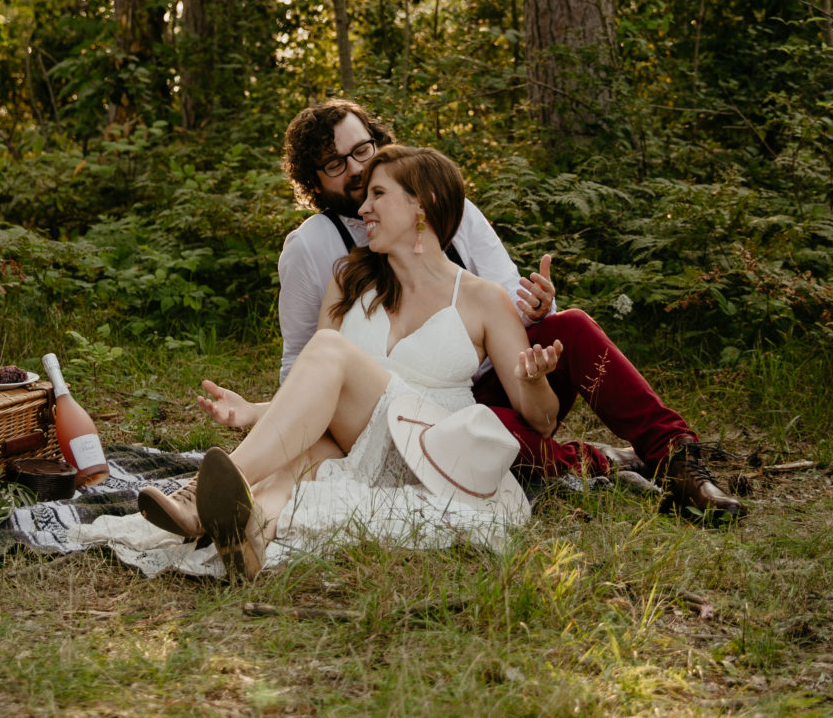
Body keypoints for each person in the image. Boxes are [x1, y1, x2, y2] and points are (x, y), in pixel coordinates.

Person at [273, 98, 745, 519]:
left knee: (572, 326)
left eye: (362, 150)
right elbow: (301, 357)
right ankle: (594, 461)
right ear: (313, 179)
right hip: (405, 416)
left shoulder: (449, 214)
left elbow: (506, 299)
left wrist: (538, 310)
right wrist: (303, 430)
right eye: (335, 163)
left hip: (496, 380)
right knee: (480, 425)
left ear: (379, 141)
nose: (356, 169)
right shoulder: (312, 248)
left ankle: (674, 455)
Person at [137, 146, 567, 578]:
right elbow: (320, 391)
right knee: (293, 461)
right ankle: (252, 532)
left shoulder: (484, 298)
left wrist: (533, 381)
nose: (363, 209)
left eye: (378, 194)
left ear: (423, 203)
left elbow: (543, 422)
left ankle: (198, 495)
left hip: (424, 450)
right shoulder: (349, 279)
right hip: (355, 442)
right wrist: (258, 411)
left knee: (327, 347)